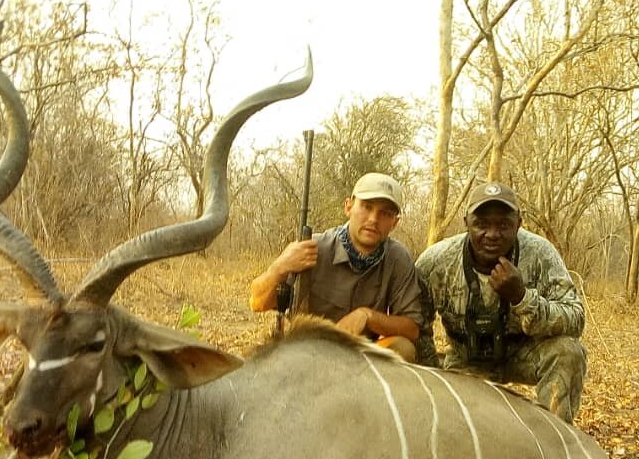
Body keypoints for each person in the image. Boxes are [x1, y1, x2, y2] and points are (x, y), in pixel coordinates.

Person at [415, 182, 587, 423]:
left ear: (519, 222)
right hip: (467, 360)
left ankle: (555, 440)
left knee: (568, 351)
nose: (492, 234)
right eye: (482, 224)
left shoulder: (540, 253)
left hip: (523, 354)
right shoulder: (436, 261)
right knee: (465, 431)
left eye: (504, 225)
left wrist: (522, 298)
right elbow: (418, 326)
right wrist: (434, 382)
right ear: (466, 222)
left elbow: (576, 318)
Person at [249, 172, 422, 361]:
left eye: (385, 213)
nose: (373, 219)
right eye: (366, 207)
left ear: (394, 222)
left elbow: (412, 329)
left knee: (403, 348)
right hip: (303, 354)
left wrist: (367, 316)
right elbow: (257, 303)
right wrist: (279, 267)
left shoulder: (398, 258)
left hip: (359, 358)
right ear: (348, 207)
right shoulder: (312, 248)